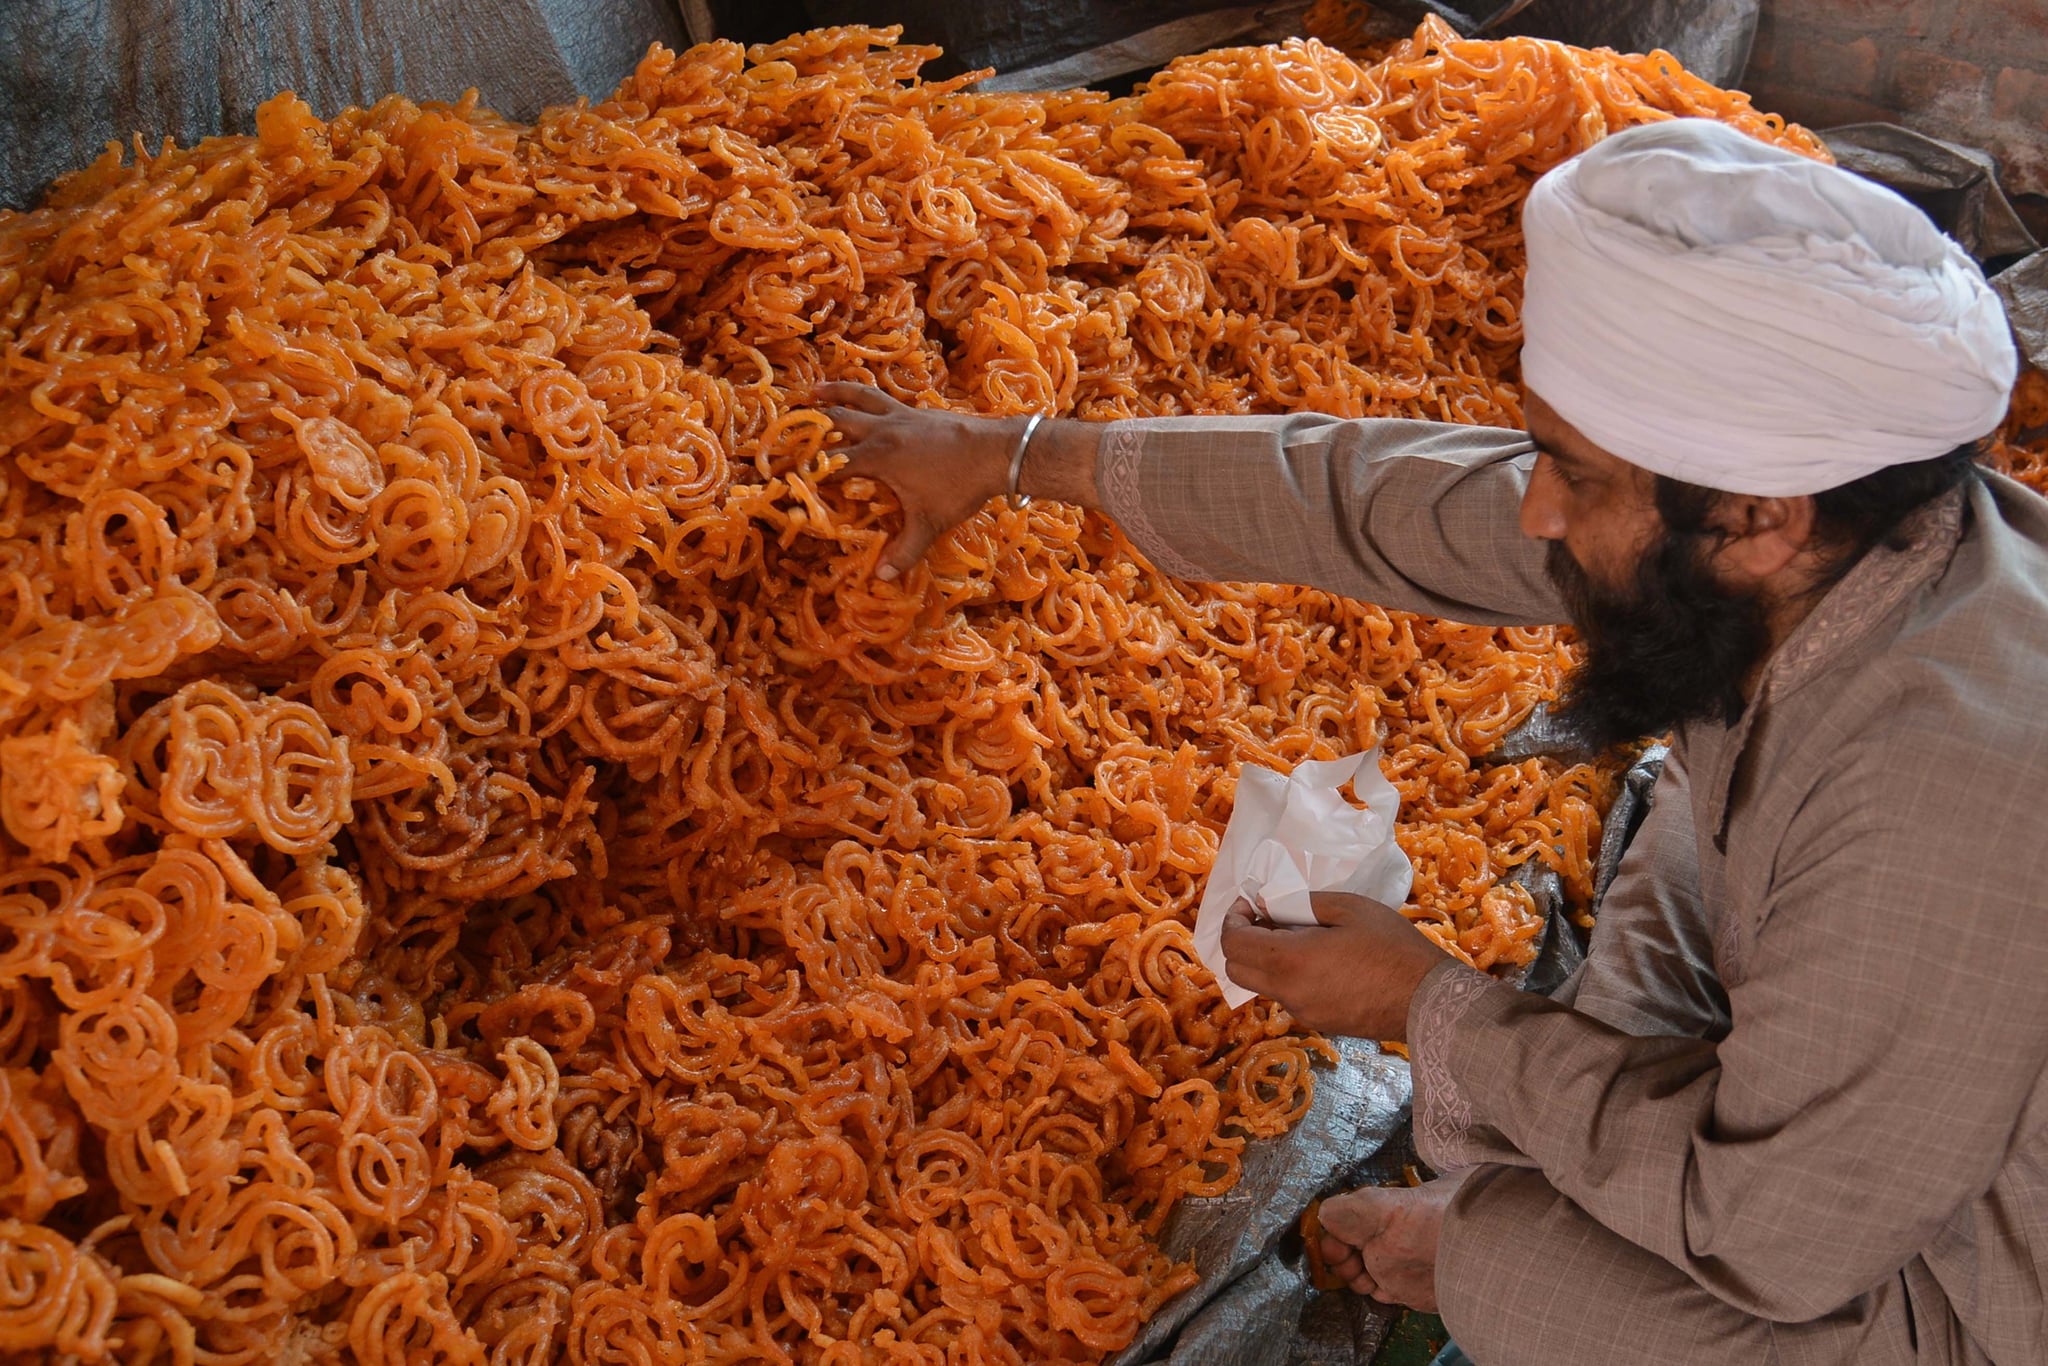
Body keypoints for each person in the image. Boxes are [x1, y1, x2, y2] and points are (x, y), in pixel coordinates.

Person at [818, 117, 2046, 1364]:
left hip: (1978, 1285)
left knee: (1516, 1269)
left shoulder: (1940, 789)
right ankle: (1568, 1162)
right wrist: (1018, 454)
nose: (1533, 508)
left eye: (1567, 470)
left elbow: (1781, 1241)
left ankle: (1495, 1226)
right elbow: (1380, 499)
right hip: (1877, 1067)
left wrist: (1427, 1005)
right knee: (1674, 835)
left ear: (1752, 514)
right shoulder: (1830, 535)